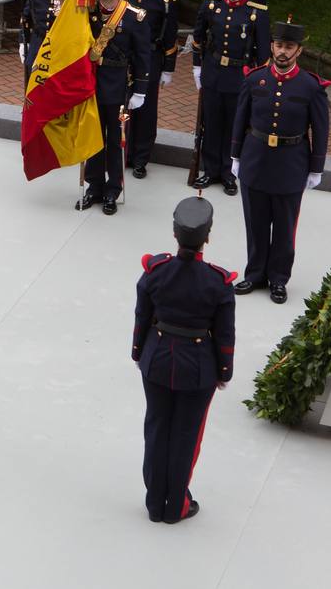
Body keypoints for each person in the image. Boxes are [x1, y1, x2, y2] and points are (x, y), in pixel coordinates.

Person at [133, 195, 235, 524]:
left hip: (157, 360)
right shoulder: (218, 284)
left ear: (174, 234)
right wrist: (224, 371)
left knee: (157, 428)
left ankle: (154, 503)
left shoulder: (156, 271)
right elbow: (224, 335)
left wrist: (139, 353)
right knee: (186, 435)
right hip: (198, 367)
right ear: (208, 236)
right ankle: (175, 505)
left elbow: (141, 317)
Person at [231, 20, 330, 304]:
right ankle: (255, 274)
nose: (282, 52)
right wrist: (235, 155)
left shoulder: (311, 87)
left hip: (290, 164)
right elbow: (241, 119)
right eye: (278, 45)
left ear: (299, 50)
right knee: (256, 222)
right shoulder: (254, 79)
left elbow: (320, 129)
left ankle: (278, 278)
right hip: (256, 159)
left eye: (289, 47)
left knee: (285, 228)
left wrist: (316, 167)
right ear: (272, 46)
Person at [190, 0, 270, 194]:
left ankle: (229, 172)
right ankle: (210, 169)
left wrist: (257, 82)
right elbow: (198, 39)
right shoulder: (211, 6)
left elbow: (263, 55)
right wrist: (197, 68)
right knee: (211, 124)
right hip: (213, 73)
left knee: (234, 126)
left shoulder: (256, 13)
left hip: (239, 76)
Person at [78, 0, 149, 215]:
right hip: (91, 85)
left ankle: (112, 190)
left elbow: (142, 55)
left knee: (115, 141)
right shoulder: (87, 13)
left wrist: (140, 89)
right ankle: (94, 186)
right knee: (93, 138)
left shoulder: (133, 16)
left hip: (118, 86)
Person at [123, 0, 177, 178]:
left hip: (151, 59)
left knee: (146, 110)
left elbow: (170, 36)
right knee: (123, 106)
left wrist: (168, 67)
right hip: (126, 58)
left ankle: (141, 158)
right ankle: (123, 153)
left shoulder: (163, 2)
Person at [19, 0, 70, 84]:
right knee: (32, 77)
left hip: (60, 44)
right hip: (38, 40)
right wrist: (23, 42)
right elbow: (26, 17)